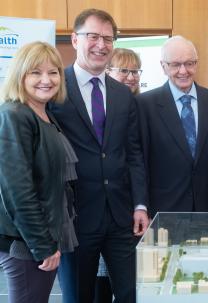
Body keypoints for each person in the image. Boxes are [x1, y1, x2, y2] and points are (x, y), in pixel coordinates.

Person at [48, 8, 148, 303]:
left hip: (121, 218)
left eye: (108, 38)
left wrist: (140, 204)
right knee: (78, 297)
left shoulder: (122, 94)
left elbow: (133, 153)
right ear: (75, 40)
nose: (101, 45)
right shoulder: (54, 88)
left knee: (131, 294)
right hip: (75, 219)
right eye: (93, 36)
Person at [0, 41, 66, 303]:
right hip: (26, 245)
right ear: (20, 75)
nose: (46, 80)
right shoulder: (14, 115)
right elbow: (17, 190)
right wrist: (43, 246)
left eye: (53, 72)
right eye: (36, 72)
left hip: (40, 239)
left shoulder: (43, 114)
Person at [136, 35, 208, 217]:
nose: (183, 71)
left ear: (196, 63)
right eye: (176, 64)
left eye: (189, 63)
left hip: (207, 208)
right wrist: (141, 205)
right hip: (163, 208)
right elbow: (139, 160)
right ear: (163, 66)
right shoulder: (145, 104)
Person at [94, 47, 143, 303]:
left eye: (135, 71)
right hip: (99, 211)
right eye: (124, 70)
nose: (131, 77)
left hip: (130, 209)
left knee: (130, 289)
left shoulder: (142, 104)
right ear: (107, 71)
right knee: (99, 287)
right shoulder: (97, 108)